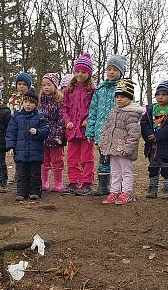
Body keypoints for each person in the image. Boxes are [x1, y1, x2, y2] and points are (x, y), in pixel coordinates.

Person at [99, 79, 144, 205]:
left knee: (126, 171)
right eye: (117, 96)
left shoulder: (132, 114)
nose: (119, 99)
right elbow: (107, 129)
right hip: (112, 149)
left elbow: (134, 134)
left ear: (129, 97)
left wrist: (128, 148)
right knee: (115, 171)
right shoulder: (113, 112)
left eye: (122, 96)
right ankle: (114, 191)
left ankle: (126, 192)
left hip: (124, 150)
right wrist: (103, 143)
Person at [86, 55, 126, 196]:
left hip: (117, 131)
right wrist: (90, 131)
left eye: (115, 69)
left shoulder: (123, 89)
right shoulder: (100, 90)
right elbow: (93, 111)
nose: (111, 72)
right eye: (109, 69)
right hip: (101, 131)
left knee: (116, 159)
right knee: (103, 158)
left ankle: (118, 187)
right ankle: (103, 187)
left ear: (121, 72)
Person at [5, 89, 50, 201]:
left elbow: (46, 130)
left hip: (35, 153)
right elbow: (11, 132)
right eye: (26, 102)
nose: (28, 104)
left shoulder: (40, 117)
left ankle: (35, 192)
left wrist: (38, 132)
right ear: (22, 103)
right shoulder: (16, 117)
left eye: (31, 102)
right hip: (20, 153)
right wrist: (10, 146)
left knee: (34, 174)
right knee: (21, 174)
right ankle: (21, 192)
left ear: (36, 104)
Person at [61, 53, 96, 195]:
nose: (80, 74)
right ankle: (74, 181)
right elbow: (64, 108)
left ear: (89, 73)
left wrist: (89, 119)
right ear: (74, 72)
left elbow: (95, 107)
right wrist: (67, 121)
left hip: (86, 130)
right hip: (72, 130)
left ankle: (87, 182)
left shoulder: (93, 90)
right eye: (77, 71)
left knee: (87, 157)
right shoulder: (68, 90)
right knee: (72, 157)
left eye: (83, 72)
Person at [141, 81, 168, 198]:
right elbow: (144, 123)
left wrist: (159, 136)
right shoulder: (150, 109)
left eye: (164, 94)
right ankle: (152, 188)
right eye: (158, 94)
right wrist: (149, 135)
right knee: (153, 167)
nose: (160, 97)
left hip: (167, 145)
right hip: (152, 146)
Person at [38, 73, 66, 192]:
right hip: (43, 136)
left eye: (49, 84)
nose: (46, 87)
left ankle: (58, 183)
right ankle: (44, 182)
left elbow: (61, 119)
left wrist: (59, 134)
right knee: (44, 161)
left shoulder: (59, 101)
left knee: (57, 160)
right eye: (44, 85)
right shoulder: (40, 102)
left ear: (55, 85)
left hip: (56, 137)